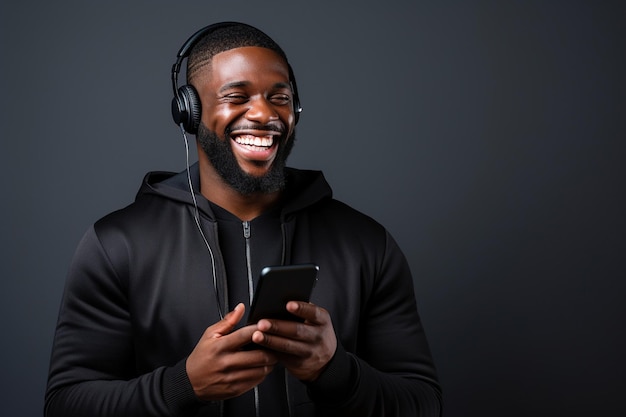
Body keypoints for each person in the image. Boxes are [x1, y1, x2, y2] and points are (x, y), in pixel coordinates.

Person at [45, 22, 442, 417]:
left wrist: (334, 370)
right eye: (237, 96)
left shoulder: (366, 244)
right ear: (190, 112)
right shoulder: (117, 245)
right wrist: (181, 385)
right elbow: (65, 405)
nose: (264, 113)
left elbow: (424, 404)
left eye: (280, 98)